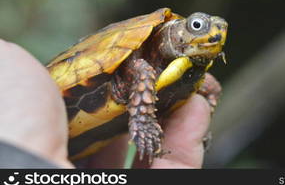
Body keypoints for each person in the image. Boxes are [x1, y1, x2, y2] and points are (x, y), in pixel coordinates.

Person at [0, 39, 211, 168]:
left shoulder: (190, 80)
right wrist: (143, 119)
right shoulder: (141, 67)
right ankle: (142, 121)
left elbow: (211, 89)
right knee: (143, 70)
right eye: (197, 26)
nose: (214, 35)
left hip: (73, 154)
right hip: (54, 116)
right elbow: (141, 68)